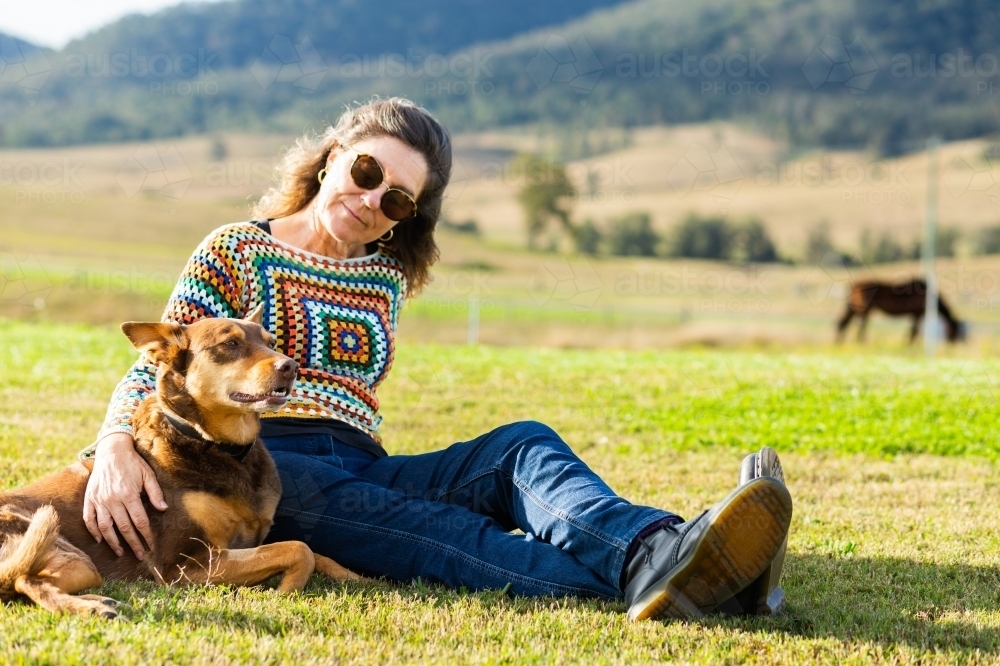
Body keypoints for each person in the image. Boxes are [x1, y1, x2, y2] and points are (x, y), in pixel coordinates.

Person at [81, 98, 792, 621]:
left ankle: (656, 545)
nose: (369, 199)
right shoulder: (233, 247)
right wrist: (114, 443)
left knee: (521, 447)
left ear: (405, 217)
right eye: (364, 171)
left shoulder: (384, 276)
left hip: (362, 459)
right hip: (268, 464)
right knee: (447, 537)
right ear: (332, 157)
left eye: (395, 199)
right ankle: (703, 575)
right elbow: (165, 359)